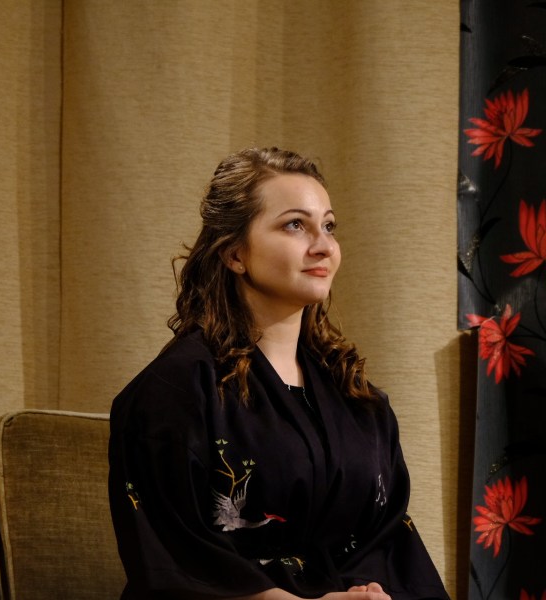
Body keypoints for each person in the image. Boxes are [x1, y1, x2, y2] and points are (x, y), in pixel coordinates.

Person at [108, 147, 450, 600]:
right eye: (295, 225)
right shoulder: (175, 390)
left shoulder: (357, 399)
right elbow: (177, 556)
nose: (323, 246)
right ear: (234, 253)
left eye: (328, 226)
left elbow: (386, 541)